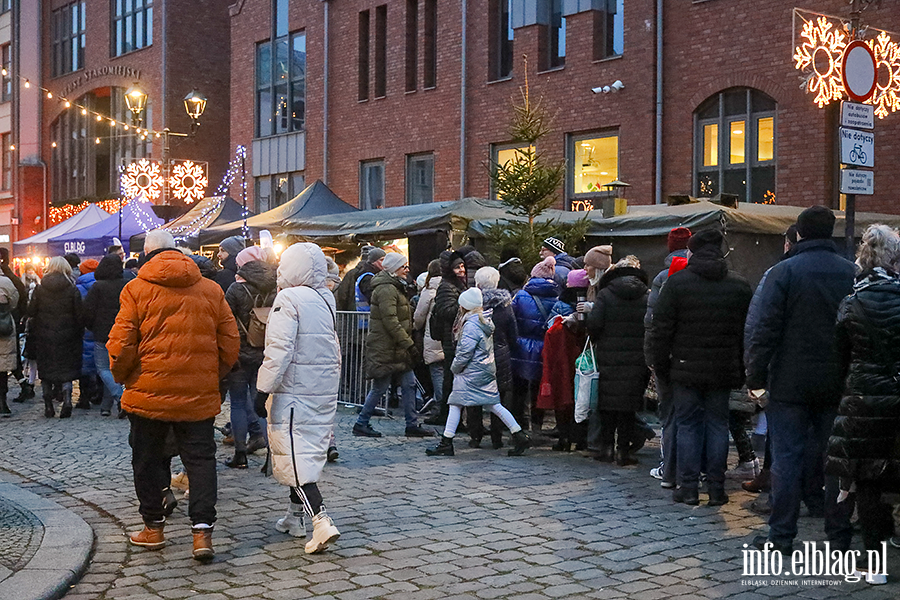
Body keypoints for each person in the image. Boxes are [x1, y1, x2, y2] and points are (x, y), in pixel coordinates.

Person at [109, 229, 240, 562]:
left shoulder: (135, 289)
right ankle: (201, 533)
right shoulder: (211, 289)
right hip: (197, 396)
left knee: (148, 461)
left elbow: (121, 344)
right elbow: (230, 342)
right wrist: (211, 375)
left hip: (147, 394)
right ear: (178, 253)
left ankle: (153, 528)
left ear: (147, 254)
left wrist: (124, 377)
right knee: (200, 462)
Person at [745, 205, 856, 554]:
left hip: (790, 382)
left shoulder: (784, 272)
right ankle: (838, 535)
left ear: (800, 233)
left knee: (787, 458)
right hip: (837, 380)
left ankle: (781, 536)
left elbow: (767, 328)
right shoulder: (851, 272)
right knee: (835, 459)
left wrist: (756, 375)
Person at [646, 228, 752, 507]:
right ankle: (716, 488)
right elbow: (746, 332)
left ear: (691, 251)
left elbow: (661, 330)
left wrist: (661, 366)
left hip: (684, 368)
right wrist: (741, 368)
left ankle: (689, 486)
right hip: (723, 368)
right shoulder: (739, 285)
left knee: (689, 425)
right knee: (718, 425)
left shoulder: (678, 284)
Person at [254, 242, 342, 554]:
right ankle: (295, 518)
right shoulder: (324, 298)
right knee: (304, 452)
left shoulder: (288, 298)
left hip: (292, 390)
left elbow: (278, 350)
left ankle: (321, 520)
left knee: (293, 455)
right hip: (319, 389)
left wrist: (263, 388)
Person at [825, 224, 900, 584]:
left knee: (869, 484)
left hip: (863, 403)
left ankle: (875, 564)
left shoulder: (852, 302)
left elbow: (839, 360)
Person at [426, 287, 531, 457]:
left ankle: (446, 442)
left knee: (456, 404)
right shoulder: (483, 321)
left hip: (470, 373)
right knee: (493, 405)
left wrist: (454, 368)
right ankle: (519, 435)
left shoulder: (471, 325)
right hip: (484, 370)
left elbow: (464, 353)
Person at [353, 253, 432, 438]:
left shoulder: (395, 286)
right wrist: (409, 344)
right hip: (387, 346)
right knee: (380, 386)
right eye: (403, 266)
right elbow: (391, 322)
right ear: (394, 268)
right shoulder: (387, 289)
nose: (407, 269)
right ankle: (361, 422)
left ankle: (411, 424)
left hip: (397, 346)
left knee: (409, 384)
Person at [585, 257, 650, 465]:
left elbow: (594, 324)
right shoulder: (645, 296)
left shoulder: (605, 294)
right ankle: (624, 451)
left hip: (608, 356)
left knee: (607, 405)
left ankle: (606, 449)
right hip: (636, 358)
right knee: (628, 407)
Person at [643, 228, 690, 487]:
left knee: (670, 414)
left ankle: (669, 468)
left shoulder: (664, 277)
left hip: (669, 357)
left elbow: (653, 323)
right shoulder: (715, 274)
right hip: (701, 358)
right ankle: (700, 470)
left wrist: (652, 358)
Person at [223, 246, 276, 468]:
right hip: (265, 351)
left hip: (239, 353)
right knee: (260, 403)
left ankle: (240, 454)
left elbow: (225, 321)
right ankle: (269, 454)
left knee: (237, 403)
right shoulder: (275, 287)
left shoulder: (235, 289)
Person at [538, 269, 589, 452]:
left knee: (563, 396)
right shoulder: (589, 303)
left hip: (562, 359)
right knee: (583, 396)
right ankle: (581, 439)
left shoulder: (561, 305)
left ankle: (564, 438)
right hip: (585, 358)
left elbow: (550, 328)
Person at [27, 256, 83, 419]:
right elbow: (80, 315)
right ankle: (66, 400)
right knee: (66, 369)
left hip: (44, 335)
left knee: (46, 370)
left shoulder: (39, 289)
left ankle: (48, 405)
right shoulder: (72, 289)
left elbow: (31, 311)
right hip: (68, 335)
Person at [510, 256, 559, 433]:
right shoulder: (556, 296)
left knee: (519, 389)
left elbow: (512, 320)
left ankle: (519, 425)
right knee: (539, 388)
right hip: (544, 347)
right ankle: (537, 425)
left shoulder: (521, 296)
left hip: (521, 347)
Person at [475, 266, 518, 449]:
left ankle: (475, 435)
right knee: (498, 395)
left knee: (474, 394)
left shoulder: (472, 305)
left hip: (477, 355)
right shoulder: (505, 306)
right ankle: (496, 436)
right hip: (500, 354)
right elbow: (513, 335)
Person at [426, 251, 468, 428]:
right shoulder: (446, 286)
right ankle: (449, 417)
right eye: (458, 267)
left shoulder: (457, 284)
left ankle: (449, 416)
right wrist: (464, 306)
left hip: (456, 337)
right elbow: (445, 311)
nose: (462, 270)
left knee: (452, 379)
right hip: (450, 339)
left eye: (462, 266)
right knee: (451, 379)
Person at [83, 255, 127, 417]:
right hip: (122, 332)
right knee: (114, 369)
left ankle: (121, 397)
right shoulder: (126, 285)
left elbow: (87, 311)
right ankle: (106, 406)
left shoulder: (98, 287)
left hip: (102, 333)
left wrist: (91, 326)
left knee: (102, 368)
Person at [413, 259, 445, 419]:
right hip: (449, 336)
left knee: (437, 371)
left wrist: (415, 326)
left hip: (433, 336)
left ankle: (440, 407)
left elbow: (419, 317)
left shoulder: (429, 289)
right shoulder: (451, 285)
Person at [74, 259, 101, 410]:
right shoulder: (102, 286)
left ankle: (84, 397)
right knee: (101, 363)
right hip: (99, 329)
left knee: (83, 363)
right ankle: (100, 394)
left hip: (82, 330)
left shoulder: (77, 288)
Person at [0, 268, 18, 417]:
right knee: (3, 368)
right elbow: (14, 301)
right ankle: (2, 402)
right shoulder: (6, 282)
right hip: (4, 325)